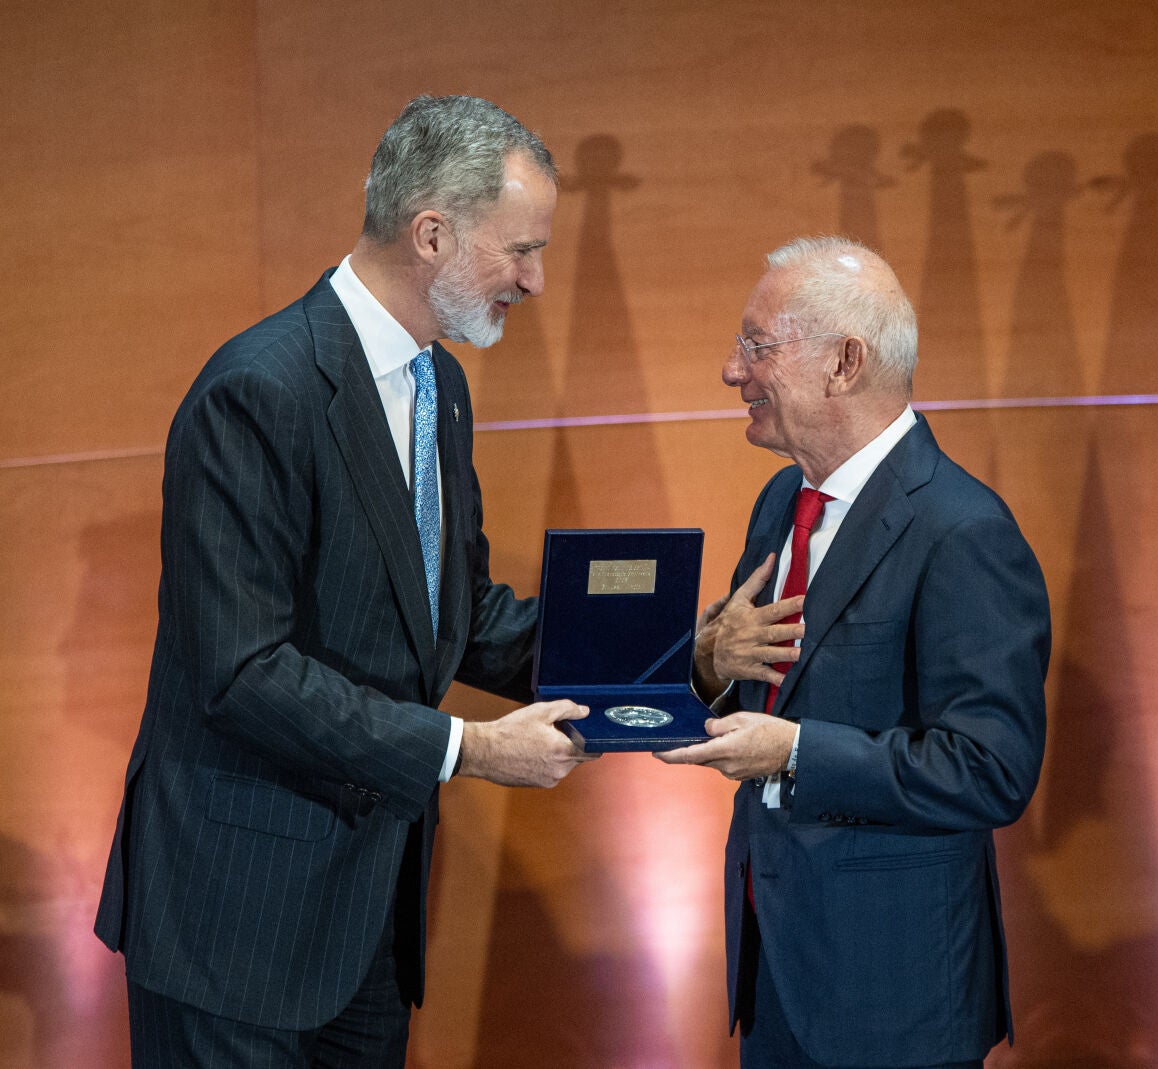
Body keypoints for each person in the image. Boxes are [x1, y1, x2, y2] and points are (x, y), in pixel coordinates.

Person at [94, 95, 596, 1067]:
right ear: (433, 233)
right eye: (521, 250)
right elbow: (242, 670)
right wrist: (467, 748)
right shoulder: (259, 387)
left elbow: (458, 616)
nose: (535, 280)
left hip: (363, 919)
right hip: (232, 922)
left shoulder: (438, 386)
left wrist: (669, 657)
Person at [659, 236, 1050, 1068]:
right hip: (776, 976)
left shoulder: (964, 530)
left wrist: (796, 751)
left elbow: (991, 768)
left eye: (757, 345)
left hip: (895, 1002)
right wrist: (708, 666)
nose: (733, 370)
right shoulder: (781, 501)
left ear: (844, 363)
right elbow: (757, 688)